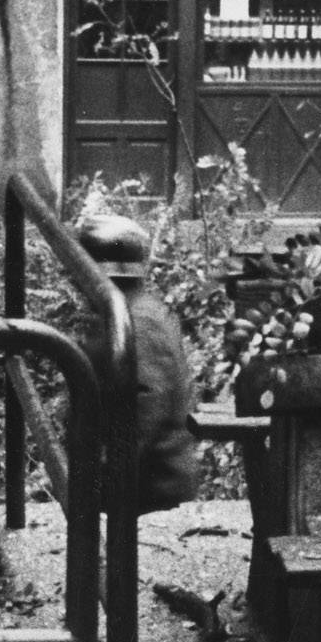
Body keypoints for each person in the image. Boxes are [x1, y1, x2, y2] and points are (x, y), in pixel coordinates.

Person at [74, 214, 201, 514]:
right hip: (136, 479)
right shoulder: (119, 315)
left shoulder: (138, 321)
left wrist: (112, 465)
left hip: (154, 487)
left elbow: (147, 400)